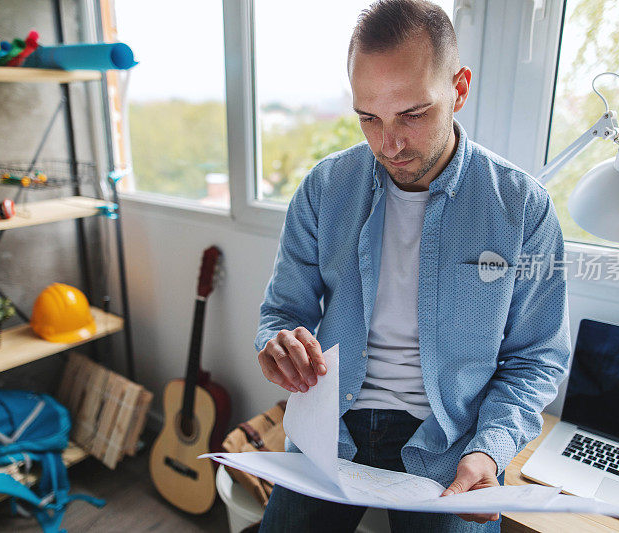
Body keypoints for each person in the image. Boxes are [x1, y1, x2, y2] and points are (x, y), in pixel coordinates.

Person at [255, 1, 571, 531]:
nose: (390, 143)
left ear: (460, 89)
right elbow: (283, 311)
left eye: (413, 114)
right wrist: (278, 344)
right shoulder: (325, 189)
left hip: (452, 442)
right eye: (368, 118)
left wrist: (490, 451)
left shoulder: (522, 207)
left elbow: (536, 357)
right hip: (331, 428)